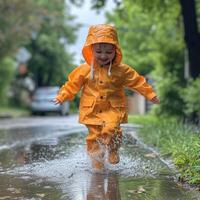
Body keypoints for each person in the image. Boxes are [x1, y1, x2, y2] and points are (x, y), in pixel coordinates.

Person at [53, 24, 160, 171]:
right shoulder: (84, 69)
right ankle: (97, 164)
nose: (103, 56)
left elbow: (137, 81)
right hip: (91, 110)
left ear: (116, 50)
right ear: (91, 50)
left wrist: (150, 94)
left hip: (113, 109)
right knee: (93, 137)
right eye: (99, 51)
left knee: (111, 130)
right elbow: (72, 84)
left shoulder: (122, 70)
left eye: (109, 52)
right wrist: (62, 96)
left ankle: (113, 149)